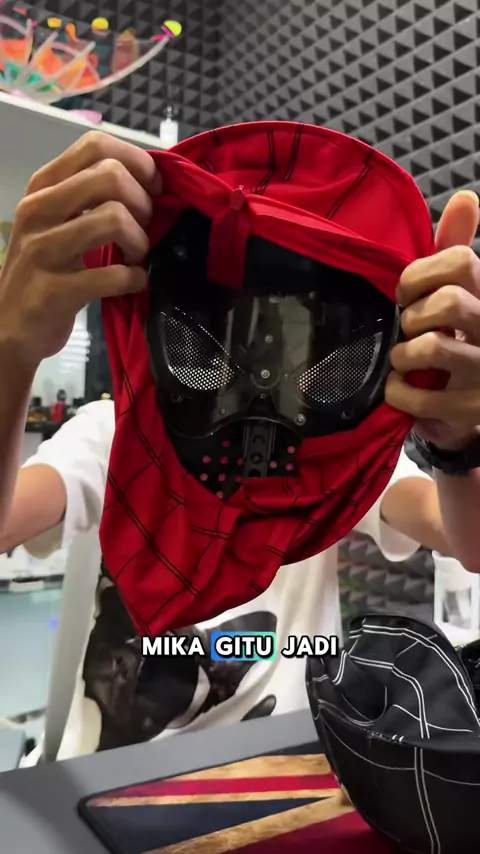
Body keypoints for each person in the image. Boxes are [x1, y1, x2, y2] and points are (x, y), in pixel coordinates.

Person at [0, 132, 479, 761]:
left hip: (277, 771)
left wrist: (458, 443)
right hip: (112, 773)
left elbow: (464, 538)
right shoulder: (110, 436)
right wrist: (11, 352)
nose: (261, 362)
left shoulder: (329, 461)